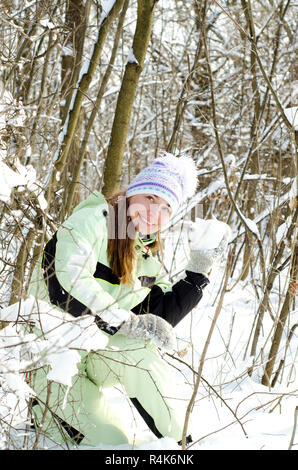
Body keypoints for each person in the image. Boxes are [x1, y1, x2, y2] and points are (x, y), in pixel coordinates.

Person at [28, 153, 227, 447]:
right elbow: (66, 285)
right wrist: (123, 320)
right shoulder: (91, 222)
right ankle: (45, 414)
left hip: (92, 354)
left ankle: (183, 444)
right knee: (114, 442)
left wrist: (197, 274)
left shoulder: (143, 255)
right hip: (51, 361)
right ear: (132, 193)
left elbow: (157, 319)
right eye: (149, 197)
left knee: (142, 352)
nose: (153, 212)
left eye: (166, 208)